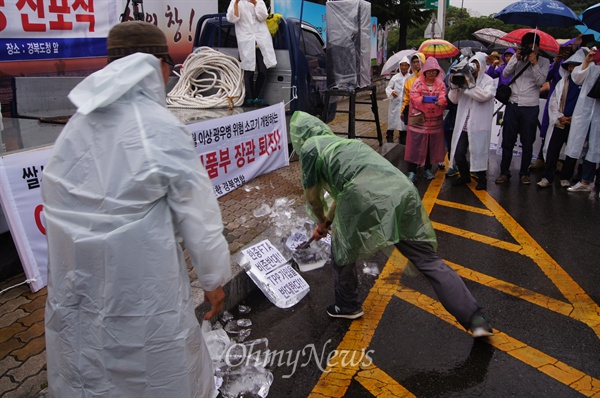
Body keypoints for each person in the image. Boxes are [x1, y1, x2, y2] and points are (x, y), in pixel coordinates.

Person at [42, 21, 232, 397]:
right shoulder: (159, 128)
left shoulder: (76, 126)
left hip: (77, 286)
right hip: (143, 288)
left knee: (88, 370)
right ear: (158, 65)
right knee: (155, 368)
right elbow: (199, 219)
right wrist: (213, 280)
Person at [289, 111, 493, 338]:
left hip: (365, 195)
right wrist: (327, 221)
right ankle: (476, 319)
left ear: (300, 137)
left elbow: (312, 196)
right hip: (401, 190)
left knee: (343, 250)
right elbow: (342, 191)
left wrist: (319, 221)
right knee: (428, 260)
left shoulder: (309, 148)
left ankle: (348, 306)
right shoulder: (344, 144)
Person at [495, 32, 550, 185]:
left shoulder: (544, 61)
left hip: (530, 106)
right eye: (524, 47)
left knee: (527, 142)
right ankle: (504, 172)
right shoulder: (517, 58)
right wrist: (515, 58)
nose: (528, 50)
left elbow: (540, 82)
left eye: (531, 47)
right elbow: (505, 73)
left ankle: (524, 173)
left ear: (537, 47)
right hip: (513, 104)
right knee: (508, 140)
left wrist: (534, 63)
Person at [448, 52, 497, 191]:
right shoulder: (464, 80)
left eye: (477, 64)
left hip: (479, 125)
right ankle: (465, 176)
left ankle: (482, 179)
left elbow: (484, 96)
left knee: (479, 152)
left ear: (482, 66)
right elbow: (454, 100)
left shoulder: (489, 81)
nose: (474, 67)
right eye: (472, 64)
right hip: (464, 124)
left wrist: (469, 84)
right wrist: (454, 85)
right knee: (459, 153)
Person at [537, 50, 584, 188]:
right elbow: (553, 101)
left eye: (576, 66)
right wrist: (560, 116)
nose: (572, 68)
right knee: (553, 150)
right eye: (570, 66)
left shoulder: (585, 85)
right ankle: (547, 177)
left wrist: (575, 118)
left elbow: (586, 106)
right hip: (561, 122)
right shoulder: (563, 82)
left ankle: (565, 177)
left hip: (576, 123)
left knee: (572, 152)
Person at [227, 0, 277, 106]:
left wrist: (255, 3)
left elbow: (263, 16)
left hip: (260, 40)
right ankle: (249, 98)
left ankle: (258, 97)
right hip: (246, 41)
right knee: (248, 70)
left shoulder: (259, 1)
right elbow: (232, 18)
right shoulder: (234, 2)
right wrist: (236, 3)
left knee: (263, 70)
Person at [564, 47, 600, 194]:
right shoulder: (592, 65)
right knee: (588, 148)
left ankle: (597, 185)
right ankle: (585, 180)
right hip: (586, 113)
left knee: (596, 148)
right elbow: (576, 78)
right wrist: (587, 61)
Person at [405, 56, 447, 182]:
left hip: (434, 121)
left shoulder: (440, 84)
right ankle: (412, 171)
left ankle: (428, 168)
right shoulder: (418, 82)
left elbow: (443, 97)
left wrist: (441, 101)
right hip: (419, 120)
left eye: (434, 71)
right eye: (429, 71)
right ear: (425, 71)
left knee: (430, 145)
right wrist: (422, 100)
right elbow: (413, 96)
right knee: (415, 145)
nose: (431, 73)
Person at [385, 56, 411, 144]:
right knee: (392, 121)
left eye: (405, 65)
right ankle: (389, 136)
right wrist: (392, 92)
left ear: (408, 66)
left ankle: (403, 138)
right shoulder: (395, 78)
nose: (403, 67)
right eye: (402, 65)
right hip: (395, 104)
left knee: (403, 123)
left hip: (405, 104)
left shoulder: (411, 78)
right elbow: (388, 88)